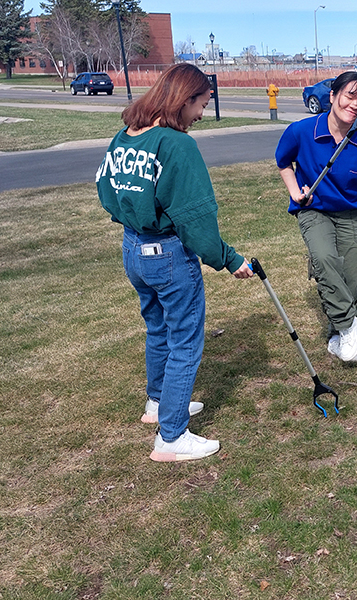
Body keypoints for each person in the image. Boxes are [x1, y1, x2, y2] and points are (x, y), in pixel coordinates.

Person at [96, 63, 253, 462]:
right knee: (185, 340)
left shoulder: (126, 135)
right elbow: (196, 218)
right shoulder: (176, 146)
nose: (202, 114)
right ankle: (171, 436)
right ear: (183, 100)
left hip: (133, 250)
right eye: (201, 104)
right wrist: (228, 259)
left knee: (158, 329)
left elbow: (104, 189)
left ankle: (158, 404)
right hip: (167, 256)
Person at [275, 71, 357, 364]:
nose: (355, 105)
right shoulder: (301, 131)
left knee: (351, 275)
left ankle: (338, 334)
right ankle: (350, 326)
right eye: (350, 96)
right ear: (333, 95)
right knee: (324, 260)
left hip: (351, 212)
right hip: (314, 210)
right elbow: (284, 162)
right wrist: (295, 190)